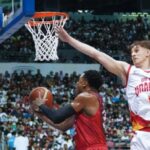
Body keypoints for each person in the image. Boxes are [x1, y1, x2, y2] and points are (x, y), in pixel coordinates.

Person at [55, 27, 150, 150]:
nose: (133, 54)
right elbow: (96, 54)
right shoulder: (129, 71)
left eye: (137, 50)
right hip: (141, 135)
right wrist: (68, 39)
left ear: (148, 52)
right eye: (131, 52)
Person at [31, 70, 108, 150]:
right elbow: (62, 126)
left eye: (79, 81)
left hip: (92, 147)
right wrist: (40, 114)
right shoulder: (92, 100)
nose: (77, 84)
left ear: (84, 83)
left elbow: (56, 117)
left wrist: (41, 104)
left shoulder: (86, 97)